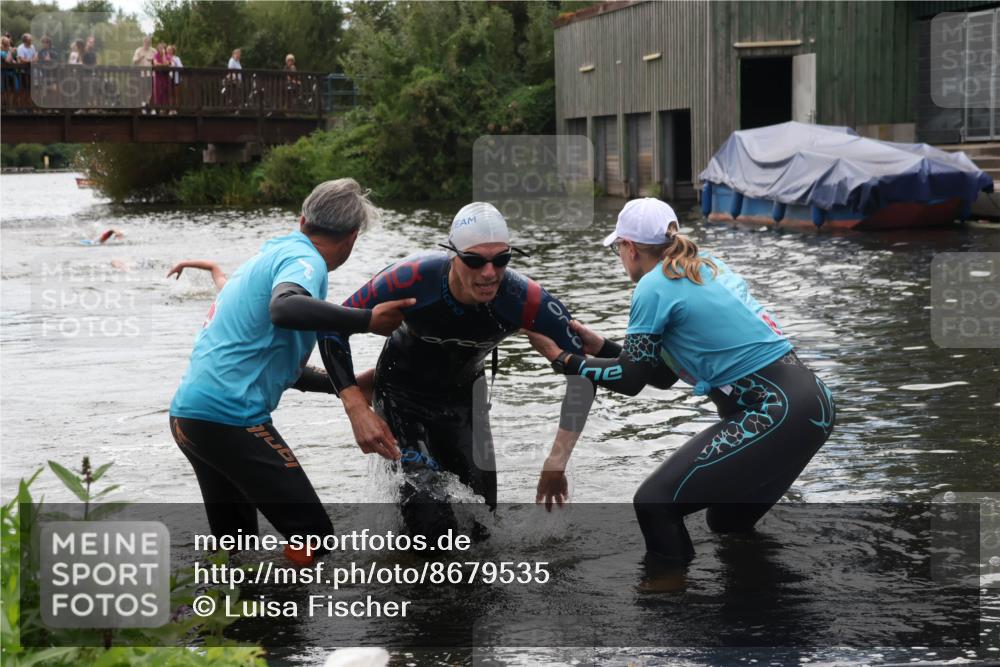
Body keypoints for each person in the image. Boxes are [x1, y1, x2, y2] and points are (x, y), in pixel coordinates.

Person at [527, 198, 836, 566]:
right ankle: (758, 611)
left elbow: (630, 379)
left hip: (776, 412)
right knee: (726, 522)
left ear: (629, 247)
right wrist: (601, 347)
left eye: (617, 249)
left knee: (654, 503)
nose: (619, 258)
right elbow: (661, 373)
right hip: (812, 404)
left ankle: (669, 605)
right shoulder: (704, 267)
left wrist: (563, 360)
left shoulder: (653, 285)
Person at [169, 179, 414, 565]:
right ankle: (290, 618)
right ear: (351, 238)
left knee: (235, 549)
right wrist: (367, 319)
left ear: (302, 220)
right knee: (314, 536)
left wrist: (346, 386)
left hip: (190, 418)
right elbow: (285, 307)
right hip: (229, 419)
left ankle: (231, 621)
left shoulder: (274, 252)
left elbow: (281, 367)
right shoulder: (306, 261)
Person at [317, 202, 596, 539]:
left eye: (502, 260)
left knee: (482, 527)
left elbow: (584, 373)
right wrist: (356, 408)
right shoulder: (413, 277)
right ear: (452, 254)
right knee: (430, 522)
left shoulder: (524, 298)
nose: (490, 273)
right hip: (401, 396)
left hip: (465, 400)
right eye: (475, 261)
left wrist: (556, 462)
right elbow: (330, 326)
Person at [151, 42, 170, 108]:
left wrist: (164, 55)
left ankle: (165, 107)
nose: (161, 49)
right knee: (158, 91)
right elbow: (155, 64)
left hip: (165, 76)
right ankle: (158, 107)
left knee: (165, 90)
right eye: (160, 48)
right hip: (158, 75)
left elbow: (167, 63)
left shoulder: (167, 56)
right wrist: (163, 65)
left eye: (162, 48)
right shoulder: (156, 55)